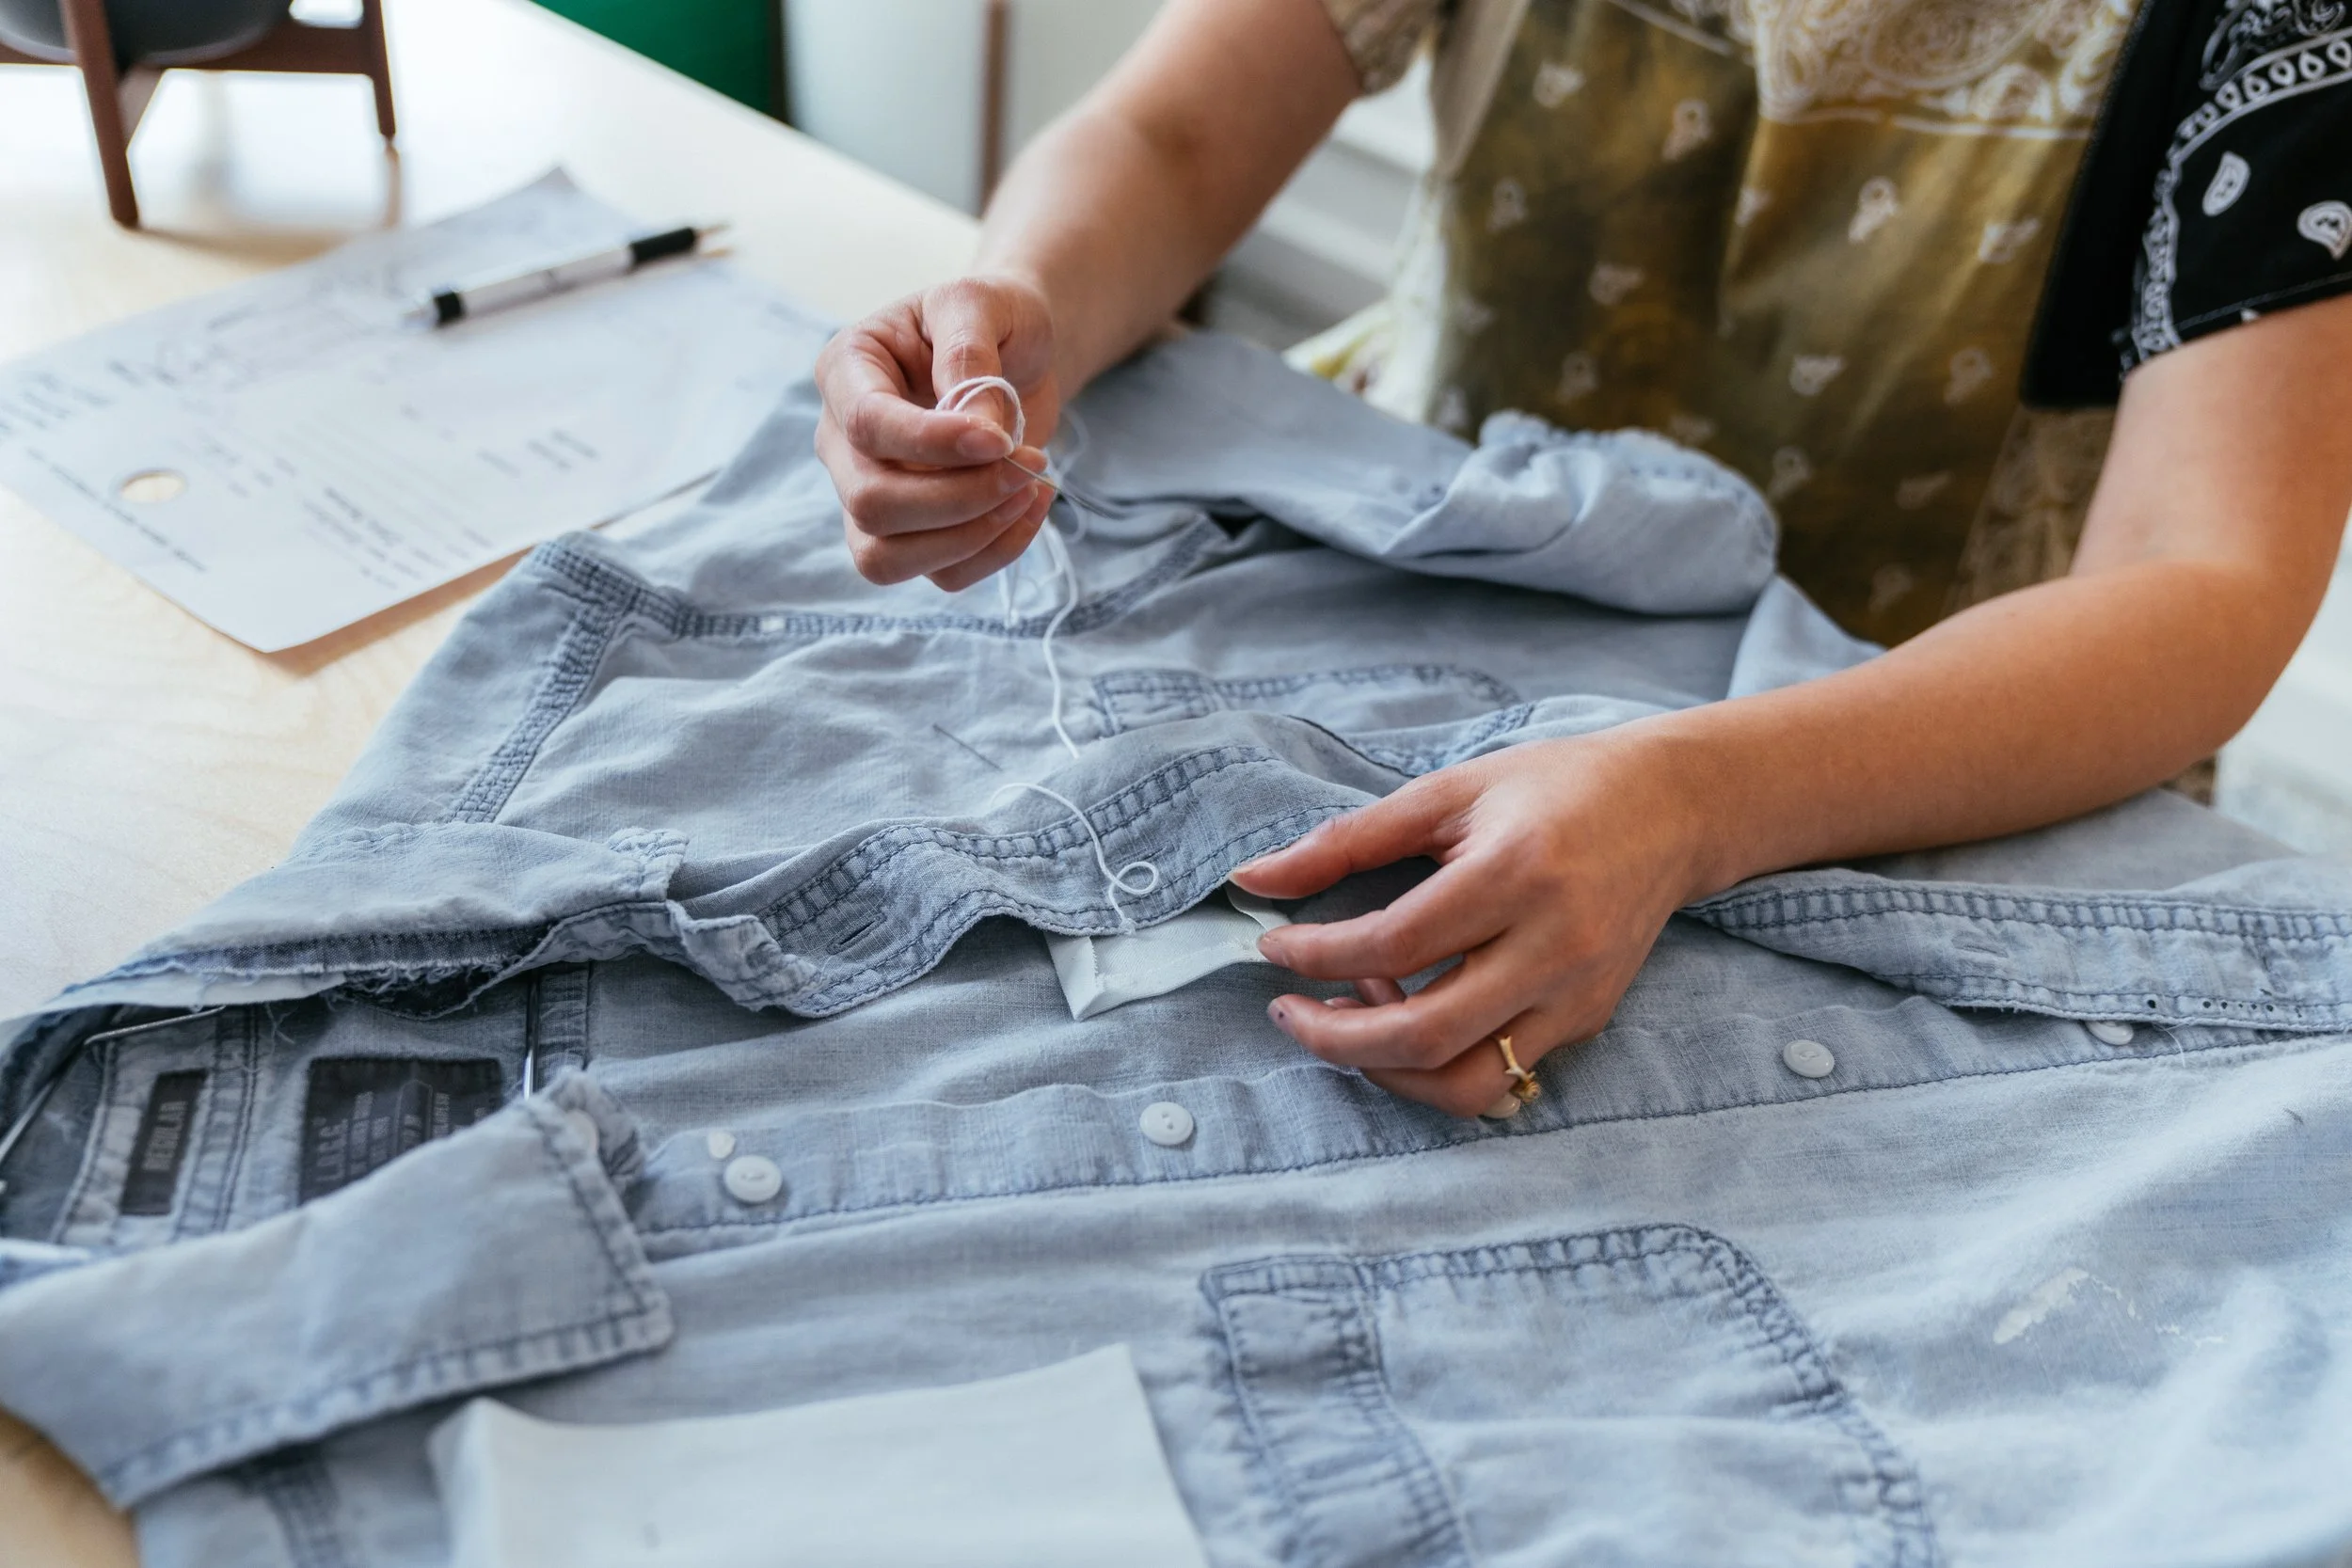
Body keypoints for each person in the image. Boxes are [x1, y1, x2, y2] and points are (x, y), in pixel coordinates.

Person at [811, 0, 2352, 1117]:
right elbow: (1172, 129)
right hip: (1411, 587)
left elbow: (2200, 577)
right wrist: (1023, 305)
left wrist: (1695, 798)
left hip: (1951, 734)